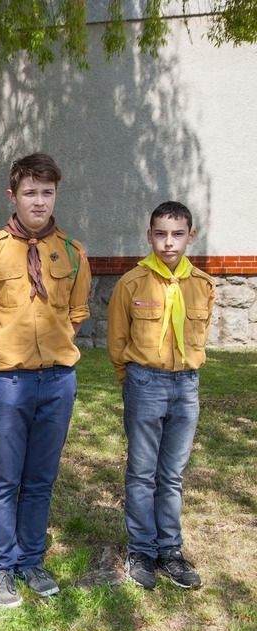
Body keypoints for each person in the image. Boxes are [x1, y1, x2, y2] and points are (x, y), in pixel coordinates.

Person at [0, 153, 91, 608]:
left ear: (56, 196)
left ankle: (31, 558)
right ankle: (0, 566)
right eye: (30, 192)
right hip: (6, 384)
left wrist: (49, 353)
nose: (39, 201)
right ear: (13, 196)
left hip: (57, 382)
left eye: (47, 193)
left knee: (40, 478)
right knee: (4, 478)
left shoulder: (72, 253)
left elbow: (75, 315)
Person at [108, 201, 214, 591]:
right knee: (141, 472)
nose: (168, 242)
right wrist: (131, 378)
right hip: (145, 383)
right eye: (160, 233)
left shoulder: (203, 285)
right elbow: (117, 340)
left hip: (186, 386)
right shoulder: (131, 283)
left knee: (171, 475)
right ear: (149, 235)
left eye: (177, 234)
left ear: (190, 236)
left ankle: (170, 550)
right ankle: (141, 550)